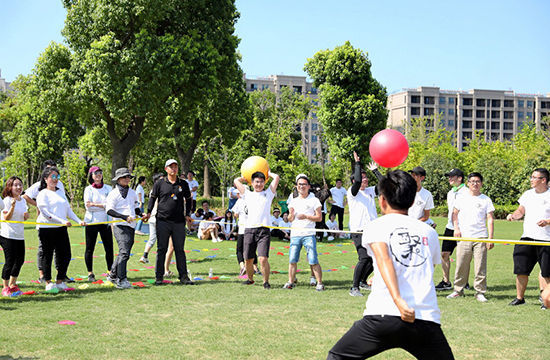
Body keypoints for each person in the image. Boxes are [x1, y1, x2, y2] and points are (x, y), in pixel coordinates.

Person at [327, 170, 453, 360]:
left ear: (382, 201)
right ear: (412, 202)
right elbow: (423, 269)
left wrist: (398, 300)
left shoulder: (375, 226)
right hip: (424, 319)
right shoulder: (429, 233)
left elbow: (384, 258)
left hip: (384, 314)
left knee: (337, 356)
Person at [143, 159, 194, 285]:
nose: (174, 169)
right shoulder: (160, 183)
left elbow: (189, 199)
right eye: (171, 167)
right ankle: (159, 277)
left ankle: (183, 277)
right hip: (162, 221)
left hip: (178, 222)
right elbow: (153, 198)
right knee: (162, 249)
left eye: (175, 167)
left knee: (179, 249)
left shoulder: (183, 183)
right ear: (166, 169)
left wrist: (188, 214)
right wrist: (148, 212)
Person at [506, 168, 550, 309]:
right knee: (521, 269)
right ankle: (520, 298)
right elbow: (521, 210)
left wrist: (547, 222)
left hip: (546, 239)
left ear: (543, 180)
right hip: (527, 237)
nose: (531, 180)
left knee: (546, 272)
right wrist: (514, 215)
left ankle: (545, 299)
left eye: (534, 177)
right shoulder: (528, 194)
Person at [447, 172, 495, 302]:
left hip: (481, 237)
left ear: (481, 184)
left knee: (480, 266)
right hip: (464, 236)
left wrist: (490, 238)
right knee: (461, 264)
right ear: (468, 183)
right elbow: (455, 214)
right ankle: (458, 290)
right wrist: (456, 228)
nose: (475, 184)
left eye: (478, 181)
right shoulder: (461, 198)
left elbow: (490, 219)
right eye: (472, 181)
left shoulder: (486, 199)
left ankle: (479, 292)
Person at [36, 167, 85, 292]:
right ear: (45, 179)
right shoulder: (42, 193)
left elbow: (68, 210)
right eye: (52, 177)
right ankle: (48, 282)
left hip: (61, 229)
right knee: (47, 256)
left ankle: (60, 280)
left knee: (65, 255)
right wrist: (62, 221)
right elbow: (45, 212)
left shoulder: (60, 192)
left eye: (57, 177)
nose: (55, 179)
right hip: (46, 228)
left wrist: (79, 220)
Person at [22, 159, 69, 283]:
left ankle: (61, 276)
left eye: (55, 172)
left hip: (59, 225)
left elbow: (63, 203)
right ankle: (43, 275)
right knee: (44, 251)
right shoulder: (39, 186)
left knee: (62, 252)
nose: (54, 176)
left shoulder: (60, 185)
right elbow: (25, 195)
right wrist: (38, 205)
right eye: (49, 170)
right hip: (45, 224)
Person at [234, 169, 280, 288]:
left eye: (261, 182)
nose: (259, 184)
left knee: (263, 258)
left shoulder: (268, 194)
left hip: (264, 230)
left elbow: (277, 178)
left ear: (264, 183)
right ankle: (250, 279)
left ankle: (266, 282)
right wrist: (244, 178)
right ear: (252, 183)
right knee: (248, 259)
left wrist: (268, 174)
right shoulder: (247, 194)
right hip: (249, 230)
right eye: (256, 182)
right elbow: (235, 181)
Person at [284, 174, 324, 291]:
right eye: (299, 184)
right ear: (296, 186)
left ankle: (319, 283)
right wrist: (290, 215)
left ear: (309, 186)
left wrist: (306, 216)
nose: (302, 186)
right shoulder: (293, 200)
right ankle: (290, 282)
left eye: (304, 184)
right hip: (295, 234)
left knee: (313, 259)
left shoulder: (314, 200)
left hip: (308, 234)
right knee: (292, 259)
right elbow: (290, 219)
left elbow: (319, 218)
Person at [348, 152, 378, 297]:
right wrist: (357, 163)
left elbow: (385, 184)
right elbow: (358, 181)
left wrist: (375, 171)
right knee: (364, 258)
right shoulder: (352, 192)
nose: (365, 179)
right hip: (359, 231)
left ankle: (362, 281)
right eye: (363, 177)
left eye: (367, 177)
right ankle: (354, 288)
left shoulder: (370, 191)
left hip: (373, 230)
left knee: (374, 259)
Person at [105, 168, 141, 289]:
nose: (127, 179)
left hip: (131, 226)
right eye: (125, 177)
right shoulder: (113, 193)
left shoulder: (132, 192)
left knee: (124, 253)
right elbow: (109, 210)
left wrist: (141, 215)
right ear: (118, 179)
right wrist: (124, 217)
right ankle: (122, 279)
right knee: (124, 252)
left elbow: (135, 206)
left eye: (128, 177)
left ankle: (112, 275)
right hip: (119, 225)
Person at [435, 168, 468, 291]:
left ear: (459, 178)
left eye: (452, 176)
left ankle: (464, 281)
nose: (449, 179)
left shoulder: (467, 192)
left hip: (463, 228)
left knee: (463, 256)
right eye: (449, 176)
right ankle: (446, 281)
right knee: (444, 254)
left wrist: (459, 227)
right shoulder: (450, 193)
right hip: (450, 227)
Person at [83, 166, 113, 282]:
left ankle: (110, 271)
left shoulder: (108, 188)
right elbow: (88, 206)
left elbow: (109, 205)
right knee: (90, 248)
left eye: (100, 172)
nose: (98, 175)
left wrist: (96, 205)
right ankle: (90, 273)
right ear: (91, 175)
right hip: (91, 222)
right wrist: (101, 205)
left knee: (109, 247)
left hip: (105, 222)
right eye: (95, 173)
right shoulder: (88, 189)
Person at [1, 176, 26, 297]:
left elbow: (24, 217)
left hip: (19, 235)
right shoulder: (6, 200)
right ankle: (5, 287)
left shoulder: (23, 200)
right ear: (10, 187)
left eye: (20, 185)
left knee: (20, 260)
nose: (18, 187)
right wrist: (12, 206)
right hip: (7, 235)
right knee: (9, 261)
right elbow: (6, 218)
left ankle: (12, 285)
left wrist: (26, 215)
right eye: (15, 185)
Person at [231, 193, 259, 276]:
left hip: (242, 229)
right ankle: (255, 268)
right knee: (252, 249)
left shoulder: (240, 201)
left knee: (239, 250)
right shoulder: (253, 200)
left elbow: (235, 215)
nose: (237, 195)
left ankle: (242, 266)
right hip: (252, 228)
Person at [140, 173, 164, 264]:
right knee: (163, 240)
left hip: (152, 218)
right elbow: (158, 204)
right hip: (158, 218)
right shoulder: (159, 190)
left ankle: (144, 255)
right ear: (156, 181)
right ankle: (162, 261)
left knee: (152, 238)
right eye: (161, 179)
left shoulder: (152, 190)